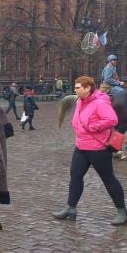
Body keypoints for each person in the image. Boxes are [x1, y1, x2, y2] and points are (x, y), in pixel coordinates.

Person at [53, 76, 127, 225]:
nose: (75, 90)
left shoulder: (100, 103)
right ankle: (70, 208)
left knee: (108, 179)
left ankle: (122, 211)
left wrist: (92, 127)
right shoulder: (80, 101)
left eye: (78, 88)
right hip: (81, 146)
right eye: (75, 88)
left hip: (98, 148)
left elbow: (112, 120)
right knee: (75, 176)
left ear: (87, 89)